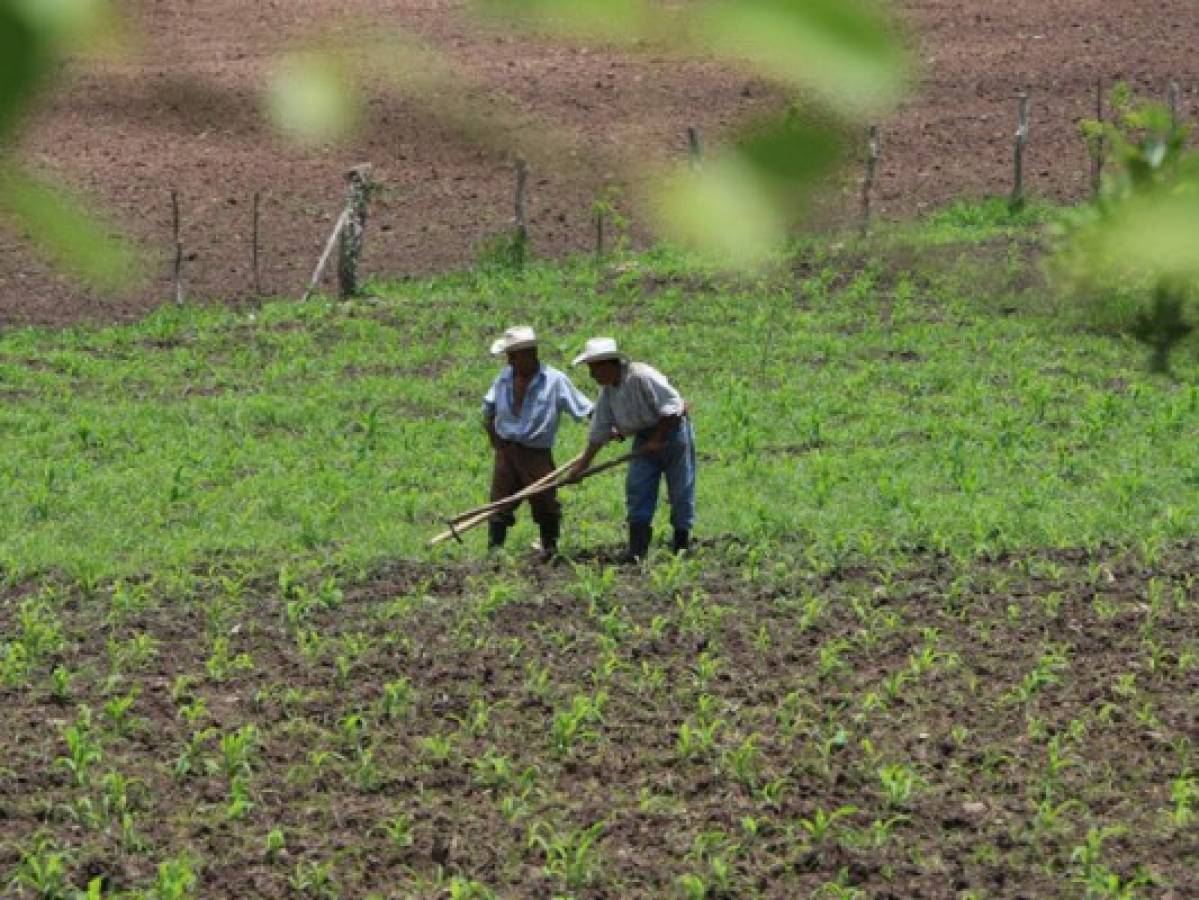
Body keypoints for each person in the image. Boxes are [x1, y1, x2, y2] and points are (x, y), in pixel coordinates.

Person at [568, 337, 695, 562]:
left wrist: (659, 438)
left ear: (609, 363)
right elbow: (598, 432)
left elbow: (673, 406)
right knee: (638, 488)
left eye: (594, 368)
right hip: (645, 439)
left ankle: (681, 544)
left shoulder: (641, 376)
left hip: (673, 433)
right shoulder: (608, 393)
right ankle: (637, 550)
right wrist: (581, 466)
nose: (592, 375)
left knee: (680, 490)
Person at [482, 325, 594, 560]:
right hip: (507, 450)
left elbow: (585, 409)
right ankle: (494, 551)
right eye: (508, 356)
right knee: (500, 502)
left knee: (545, 502)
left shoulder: (554, 381)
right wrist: (497, 444)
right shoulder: (503, 378)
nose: (510, 361)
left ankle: (550, 549)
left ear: (530, 354)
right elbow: (488, 411)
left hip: (536, 453)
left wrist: (608, 427)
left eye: (514, 356)